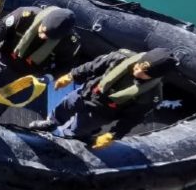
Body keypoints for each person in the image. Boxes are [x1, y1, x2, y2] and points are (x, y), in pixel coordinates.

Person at [29, 47, 178, 149]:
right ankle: (52, 123)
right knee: (65, 106)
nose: (137, 70)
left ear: (154, 76)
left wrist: (112, 135)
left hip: (101, 112)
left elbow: (133, 118)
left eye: (144, 72)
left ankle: (70, 139)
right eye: (139, 65)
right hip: (85, 94)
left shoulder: (151, 95)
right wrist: (71, 76)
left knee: (80, 128)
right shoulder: (120, 57)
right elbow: (92, 66)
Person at [0, 6, 80, 120]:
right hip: (2, 59)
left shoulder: (70, 42)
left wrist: (49, 77)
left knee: (0, 102)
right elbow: (1, 27)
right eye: (43, 30)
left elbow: (65, 65)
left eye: (48, 37)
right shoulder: (24, 15)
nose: (43, 36)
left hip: (26, 75)